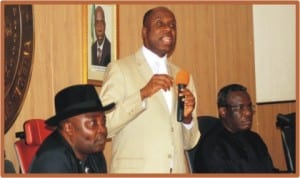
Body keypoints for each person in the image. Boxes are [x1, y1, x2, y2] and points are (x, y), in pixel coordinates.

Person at [99, 6, 200, 173]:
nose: (168, 29)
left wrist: (188, 120)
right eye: (160, 23)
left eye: (173, 25)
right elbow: (104, 125)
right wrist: (142, 94)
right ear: (144, 32)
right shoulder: (120, 69)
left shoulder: (183, 76)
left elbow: (190, 143)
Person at [29, 84, 115, 173]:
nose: (103, 130)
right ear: (68, 128)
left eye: (103, 122)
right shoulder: (53, 161)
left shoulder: (94, 153)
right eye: (92, 123)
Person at [193, 84, 277, 173]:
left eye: (249, 106)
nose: (248, 113)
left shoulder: (255, 138)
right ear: (223, 111)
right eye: (240, 108)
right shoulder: (212, 147)